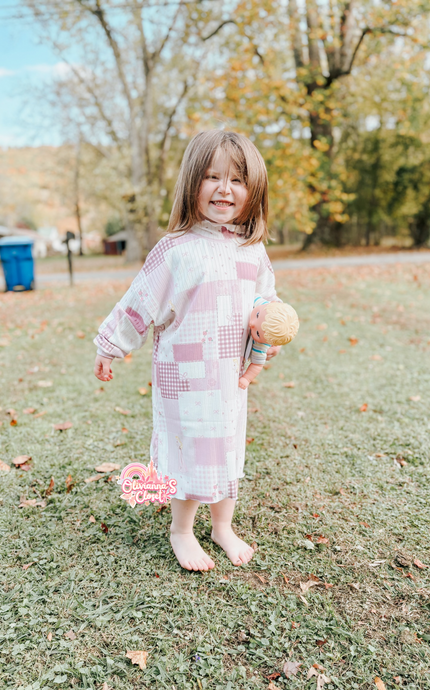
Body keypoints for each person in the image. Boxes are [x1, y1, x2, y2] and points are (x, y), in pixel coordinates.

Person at [93, 130, 284, 572]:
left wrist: (268, 335)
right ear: (191, 183)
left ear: (252, 188)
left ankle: (222, 526)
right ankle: (181, 529)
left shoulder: (252, 251)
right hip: (184, 380)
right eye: (212, 177)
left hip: (229, 378)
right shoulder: (174, 250)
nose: (224, 189)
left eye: (237, 179)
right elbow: (139, 303)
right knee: (188, 448)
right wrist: (111, 345)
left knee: (228, 445)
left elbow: (266, 303)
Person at [239, 295, 299, 390]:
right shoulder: (260, 303)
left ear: (270, 344)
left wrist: (246, 379)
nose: (252, 323)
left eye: (257, 333)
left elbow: (257, 365)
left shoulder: (260, 346)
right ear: (271, 303)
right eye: (257, 315)